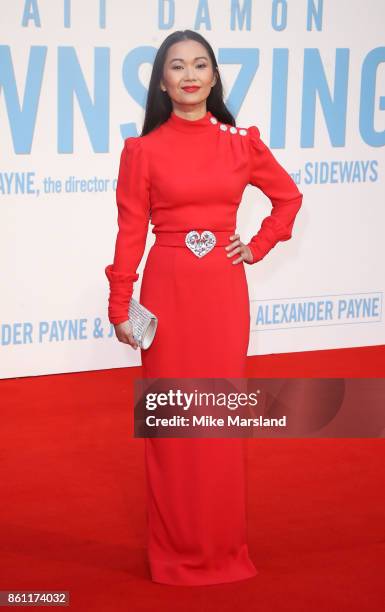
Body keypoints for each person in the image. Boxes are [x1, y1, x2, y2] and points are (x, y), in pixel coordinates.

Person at [105, 30, 303, 586]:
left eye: (200, 65)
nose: (189, 75)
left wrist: (257, 245)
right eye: (176, 66)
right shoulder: (141, 151)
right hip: (167, 293)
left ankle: (222, 550)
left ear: (214, 77)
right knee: (172, 425)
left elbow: (287, 199)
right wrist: (121, 302)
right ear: (162, 81)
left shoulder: (242, 144)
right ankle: (173, 553)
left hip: (221, 293)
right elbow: (129, 232)